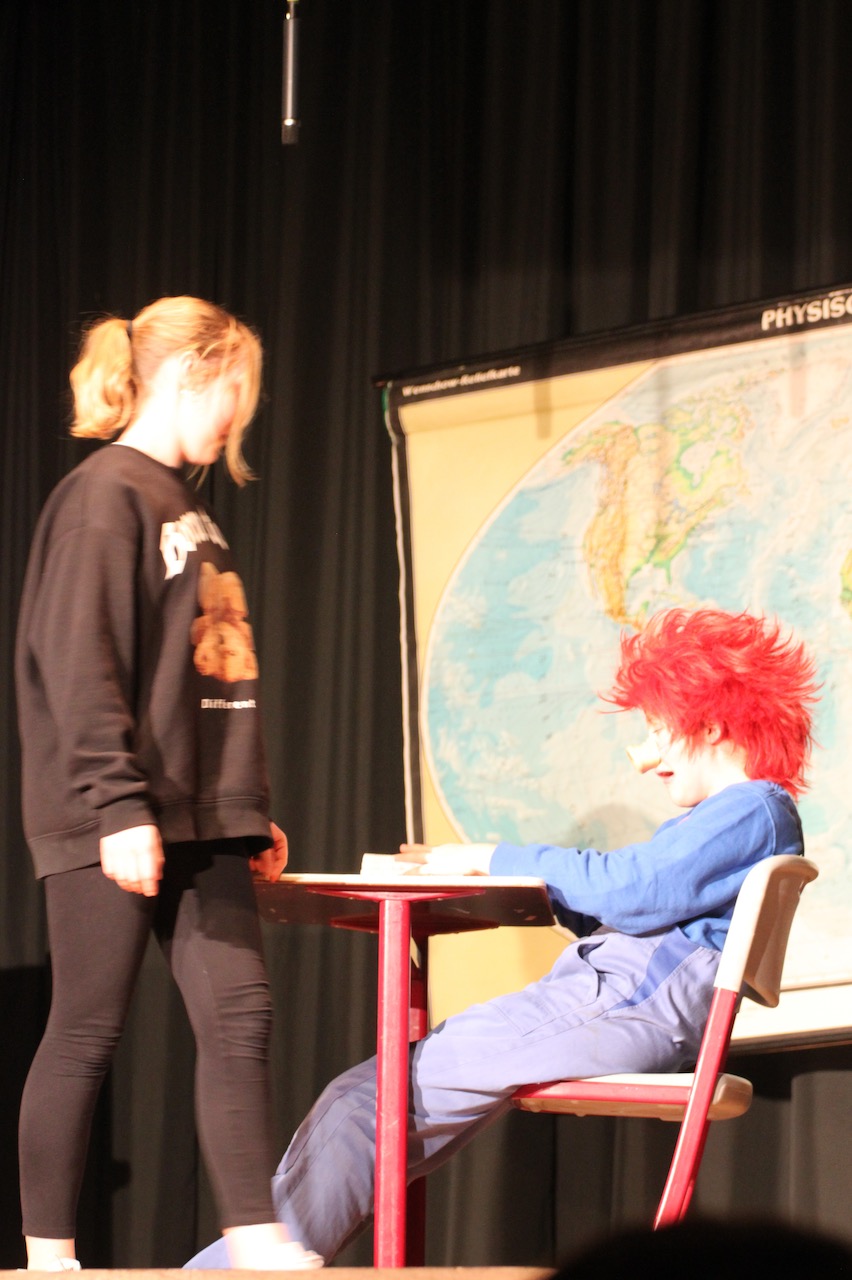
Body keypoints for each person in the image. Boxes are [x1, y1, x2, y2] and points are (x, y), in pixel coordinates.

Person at [184, 606, 819, 1267]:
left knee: (370, 1105)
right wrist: (525, 886)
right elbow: (642, 909)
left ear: (710, 723)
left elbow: (639, 889)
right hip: (618, 1002)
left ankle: (230, 1271)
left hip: (619, 1005)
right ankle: (244, 1261)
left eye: (659, 728)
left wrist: (490, 859)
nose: (647, 757)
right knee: (367, 1105)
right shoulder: (742, 817)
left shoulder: (752, 808)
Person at [15, 297, 321, 1271]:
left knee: (241, 1012)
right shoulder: (103, 496)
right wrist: (116, 805)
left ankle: (253, 1231)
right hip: (114, 810)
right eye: (236, 394)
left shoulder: (187, 508)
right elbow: (79, 658)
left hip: (201, 812)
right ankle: (49, 1254)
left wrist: (244, 809)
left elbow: (209, 676)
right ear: (194, 373)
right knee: (86, 1027)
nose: (236, 420)